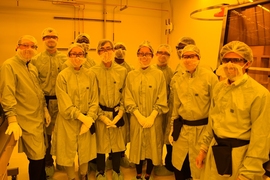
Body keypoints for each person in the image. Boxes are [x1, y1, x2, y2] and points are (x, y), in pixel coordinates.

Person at [196, 41, 270, 180]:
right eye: (226, 60)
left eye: (236, 60)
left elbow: (261, 139)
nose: (229, 64)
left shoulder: (259, 94)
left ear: (247, 63)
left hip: (239, 157)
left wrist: (248, 173)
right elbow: (212, 123)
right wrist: (203, 149)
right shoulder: (219, 88)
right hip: (215, 151)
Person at [0, 35, 51, 180]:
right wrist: (12, 119)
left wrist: (44, 109)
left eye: (32, 46)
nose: (28, 49)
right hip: (26, 119)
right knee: (36, 156)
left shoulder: (31, 67)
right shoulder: (9, 66)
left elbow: (38, 91)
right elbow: (7, 94)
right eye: (25, 45)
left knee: (41, 152)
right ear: (17, 47)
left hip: (38, 117)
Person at [169, 45, 218, 180]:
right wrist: (172, 129)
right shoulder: (179, 79)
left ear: (198, 58)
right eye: (185, 57)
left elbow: (216, 109)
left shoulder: (210, 78)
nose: (188, 60)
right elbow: (176, 108)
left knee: (198, 168)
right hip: (182, 130)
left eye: (191, 56)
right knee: (180, 165)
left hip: (202, 130)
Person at [51, 43, 98, 180]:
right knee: (68, 150)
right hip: (68, 120)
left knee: (85, 149)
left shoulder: (90, 75)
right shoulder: (62, 76)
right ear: (68, 56)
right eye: (74, 54)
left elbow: (94, 100)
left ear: (85, 56)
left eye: (80, 54)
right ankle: (71, 176)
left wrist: (89, 118)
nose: (77, 57)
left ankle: (83, 174)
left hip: (87, 120)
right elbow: (64, 103)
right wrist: (81, 117)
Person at [124, 41, 169, 180]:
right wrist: (138, 115)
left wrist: (152, 116)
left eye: (147, 54)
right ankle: (138, 173)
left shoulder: (158, 75)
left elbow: (162, 97)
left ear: (152, 55)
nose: (144, 57)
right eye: (141, 54)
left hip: (154, 118)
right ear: (137, 55)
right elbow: (128, 97)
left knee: (152, 145)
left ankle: (148, 172)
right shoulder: (131, 75)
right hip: (136, 118)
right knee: (137, 145)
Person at [31, 27, 67, 179]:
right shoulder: (35, 60)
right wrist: (43, 107)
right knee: (46, 135)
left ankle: (62, 160)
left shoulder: (65, 59)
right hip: (44, 101)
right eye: (47, 37)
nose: (50, 39)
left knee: (62, 133)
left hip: (61, 101)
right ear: (43, 40)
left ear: (57, 39)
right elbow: (34, 83)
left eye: (53, 36)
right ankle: (48, 162)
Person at [91, 39, 127, 180]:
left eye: (109, 49)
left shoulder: (122, 71)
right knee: (101, 144)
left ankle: (117, 170)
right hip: (100, 113)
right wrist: (101, 116)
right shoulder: (92, 72)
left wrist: (120, 113)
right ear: (98, 52)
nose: (106, 52)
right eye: (103, 49)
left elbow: (125, 94)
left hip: (117, 112)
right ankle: (101, 170)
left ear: (113, 51)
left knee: (117, 144)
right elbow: (92, 97)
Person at [105, 42, 135, 170]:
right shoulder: (107, 66)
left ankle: (122, 154)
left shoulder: (130, 69)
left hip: (125, 107)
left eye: (123, 48)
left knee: (123, 132)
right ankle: (111, 157)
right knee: (109, 132)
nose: (120, 50)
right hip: (110, 105)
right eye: (117, 48)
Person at [152, 44, 174, 176]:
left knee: (166, 138)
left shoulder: (172, 72)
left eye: (166, 53)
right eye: (160, 52)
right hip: (153, 110)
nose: (163, 55)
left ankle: (164, 163)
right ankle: (152, 162)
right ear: (155, 54)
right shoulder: (151, 70)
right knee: (154, 138)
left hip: (167, 111)